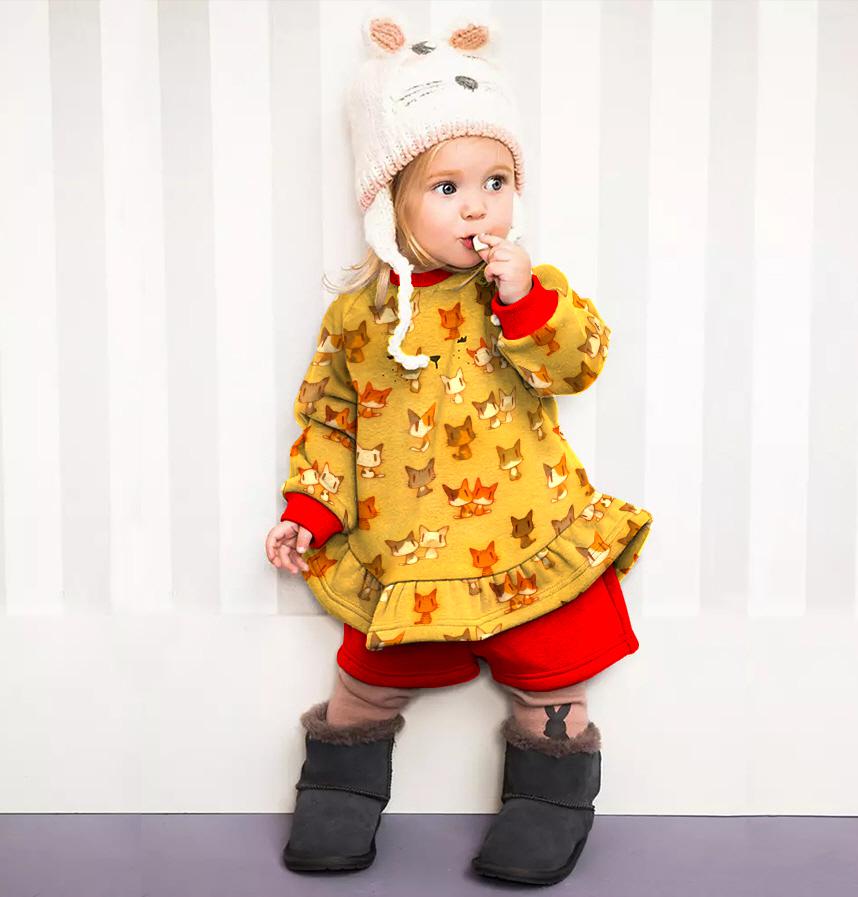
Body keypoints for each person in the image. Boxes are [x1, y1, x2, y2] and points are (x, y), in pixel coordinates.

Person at [264, 8, 653, 887]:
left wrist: (526, 301)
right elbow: (329, 421)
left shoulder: (526, 289)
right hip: (408, 551)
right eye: (447, 187)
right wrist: (306, 510)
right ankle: (341, 786)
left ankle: (550, 800)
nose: (478, 204)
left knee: (551, 682)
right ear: (389, 204)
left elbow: (579, 362)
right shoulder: (360, 317)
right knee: (365, 679)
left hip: (528, 534)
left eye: (497, 180)